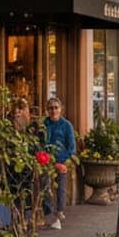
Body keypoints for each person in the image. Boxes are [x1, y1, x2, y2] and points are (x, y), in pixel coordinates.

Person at [42, 97, 76, 229]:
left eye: (56, 108)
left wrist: (62, 162)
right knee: (45, 187)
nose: (53, 110)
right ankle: (48, 214)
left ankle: (59, 212)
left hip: (61, 161)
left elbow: (71, 147)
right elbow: (39, 143)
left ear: (61, 109)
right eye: (51, 108)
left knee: (60, 188)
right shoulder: (44, 124)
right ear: (47, 110)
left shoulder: (66, 125)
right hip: (45, 161)